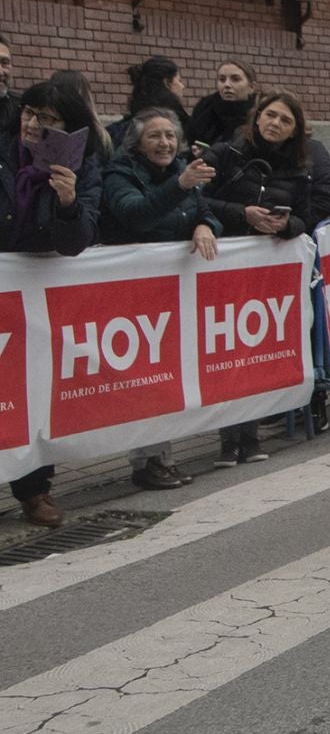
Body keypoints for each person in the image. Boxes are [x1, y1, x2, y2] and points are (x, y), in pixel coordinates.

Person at [2, 80, 107, 527]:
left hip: (36, 295)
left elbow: (77, 241)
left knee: (31, 390)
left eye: (46, 119)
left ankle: (34, 490)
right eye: (28, 113)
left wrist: (67, 201)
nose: (32, 124)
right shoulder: (5, 153)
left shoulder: (83, 167)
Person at [101, 106, 220, 489]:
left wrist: (204, 224)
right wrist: (181, 186)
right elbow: (136, 215)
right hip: (133, 293)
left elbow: (207, 212)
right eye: (155, 136)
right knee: (143, 379)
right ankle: (145, 461)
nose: (165, 143)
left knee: (167, 374)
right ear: (137, 143)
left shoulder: (181, 170)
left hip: (173, 294)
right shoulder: (120, 173)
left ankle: (162, 457)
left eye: (170, 135)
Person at [202, 91, 322, 466]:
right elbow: (197, 199)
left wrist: (287, 225)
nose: (275, 124)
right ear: (257, 118)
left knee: (254, 348)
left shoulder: (299, 166)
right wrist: (243, 214)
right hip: (221, 263)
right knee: (224, 351)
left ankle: (250, 435)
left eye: (285, 121)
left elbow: (308, 216)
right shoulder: (226, 153)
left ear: (295, 131)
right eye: (270, 115)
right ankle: (227, 439)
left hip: (266, 272)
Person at [109, 56, 191, 149]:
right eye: (179, 80)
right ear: (167, 83)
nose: (182, 86)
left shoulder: (122, 127)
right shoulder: (178, 120)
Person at [187, 60, 258, 149]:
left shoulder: (260, 114)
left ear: (252, 87)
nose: (227, 85)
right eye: (222, 79)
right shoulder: (204, 111)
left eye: (235, 79)